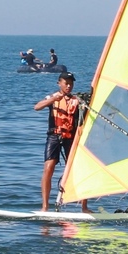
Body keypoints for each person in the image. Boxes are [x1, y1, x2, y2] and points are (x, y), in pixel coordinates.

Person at [33, 72, 87, 212]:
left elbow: (84, 119)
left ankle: (84, 207)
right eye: (66, 83)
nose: (69, 86)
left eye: (71, 84)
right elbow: (37, 107)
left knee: (79, 170)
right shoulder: (52, 97)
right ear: (59, 83)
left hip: (71, 137)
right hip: (54, 136)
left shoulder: (77, 100)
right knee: (48, 168)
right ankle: (45, 207)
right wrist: (53, 100)